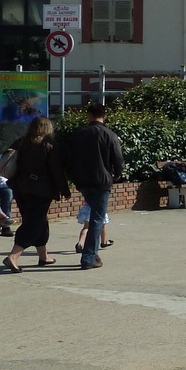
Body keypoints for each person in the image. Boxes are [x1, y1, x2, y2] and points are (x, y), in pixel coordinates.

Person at [2, 117, 71, 273]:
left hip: (20, 188)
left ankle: (43, 256)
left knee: (37, 220)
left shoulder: (20, 142)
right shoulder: (49, 145)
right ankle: (13, 256)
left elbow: (6, 158)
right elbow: (56, 171)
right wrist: (64, 191)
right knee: (33, 223)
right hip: (40, 190)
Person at [67, 103, 125, 270]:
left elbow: (70, 158)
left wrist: (74, 177)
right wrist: (117, 174)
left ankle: (92, 253)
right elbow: (118, 159)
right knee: (97, 219)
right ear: (104, 116)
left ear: (89, 115)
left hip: (83, 181)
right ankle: (89, 257)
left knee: (94, 216)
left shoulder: (78, 135)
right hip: (102, 181)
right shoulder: (110, 135)